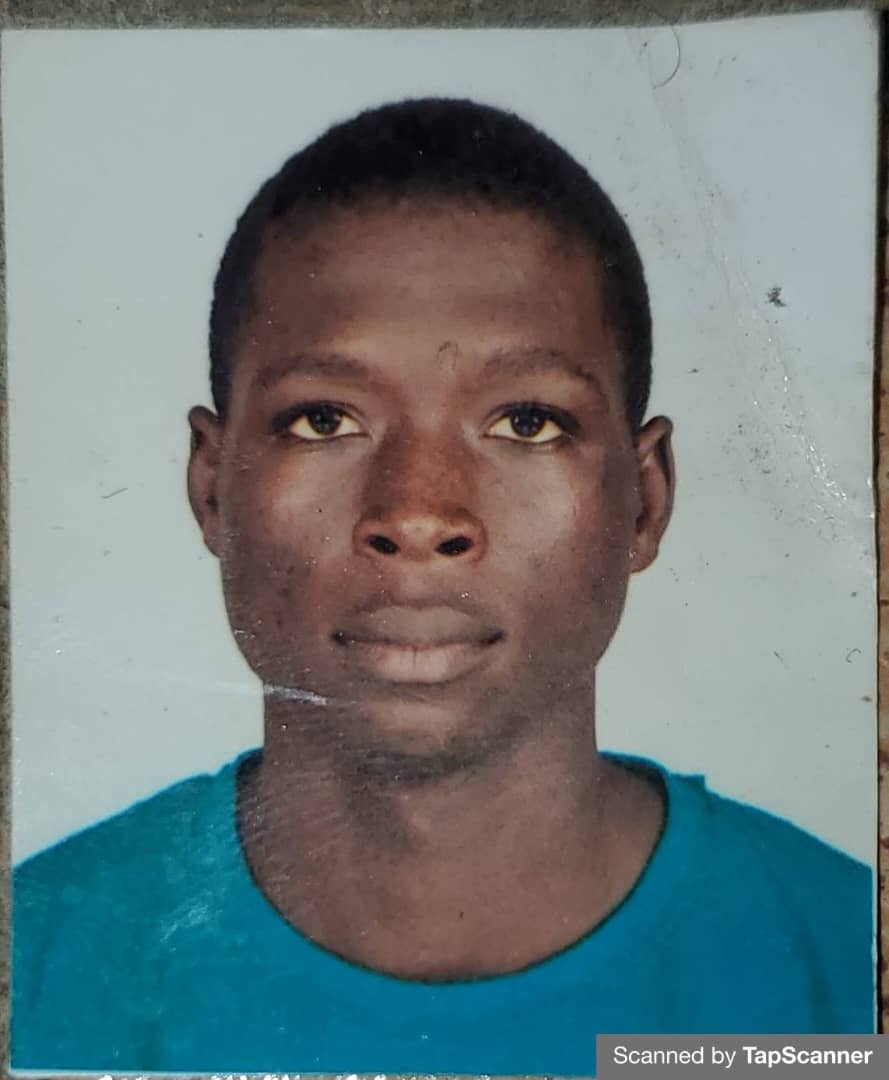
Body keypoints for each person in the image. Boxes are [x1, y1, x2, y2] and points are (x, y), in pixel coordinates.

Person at [12, 98, 874, 1074]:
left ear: (644, 499)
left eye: (526, 423)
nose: (419, 515)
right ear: (213, 488)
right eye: (324, 420)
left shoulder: (847, 971)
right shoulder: (30, 972)